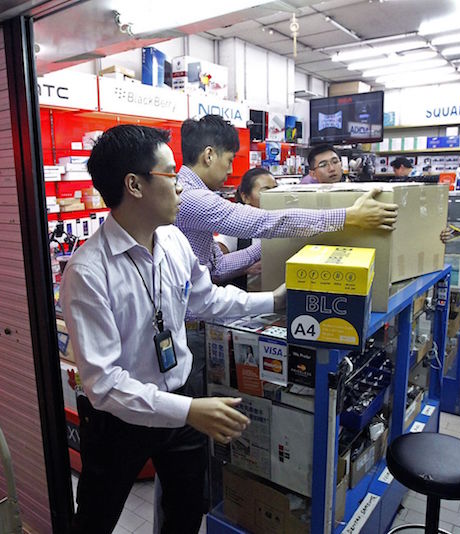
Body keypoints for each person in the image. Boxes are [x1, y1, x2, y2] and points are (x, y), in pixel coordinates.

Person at [59, 124, 286, 534]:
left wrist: (273, 301)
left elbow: (208, 300)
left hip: (181, 404)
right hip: (119, 422)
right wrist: (189, 410)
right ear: (135, 185)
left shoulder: (174, 243)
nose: (182, 188)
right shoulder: (89, 272)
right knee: (95, 519)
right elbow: (104, 384)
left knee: (184, 512)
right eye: (170, 175)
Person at [176, 115, 398, 284]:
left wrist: (276, 244)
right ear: (209, 156)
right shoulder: (192, 199)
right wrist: (349, 217)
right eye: (230, 160)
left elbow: (218, 266)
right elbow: (265, 222)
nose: (231, 169)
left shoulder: (190, 194)